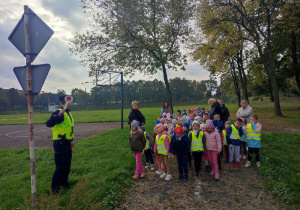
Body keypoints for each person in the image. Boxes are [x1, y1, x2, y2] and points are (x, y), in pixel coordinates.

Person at [46, 95, 75, 193]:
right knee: (60, 166)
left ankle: (64, 184)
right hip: (60, 144)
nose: (72, 104)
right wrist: (58, 115)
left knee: (67, 166)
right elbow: (48, 124)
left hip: (67, 143)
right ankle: (54, 188)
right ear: (66, 102)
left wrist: (71, 140)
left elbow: (68, 128)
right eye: (71, 102)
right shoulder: (58, 112)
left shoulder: (68, 113)